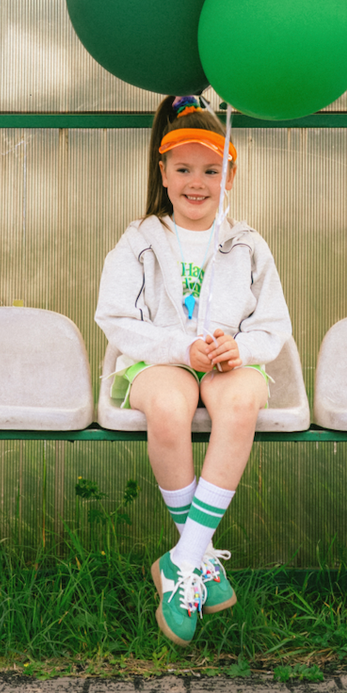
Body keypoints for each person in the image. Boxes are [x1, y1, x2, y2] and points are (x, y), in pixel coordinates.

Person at [94, 94, 292, 646]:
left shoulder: (247, 245)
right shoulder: (139, 241)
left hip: (229, 363)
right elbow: (115, 318)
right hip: (161, 360)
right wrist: (182, 351)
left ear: (230, 173)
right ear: (163, 172)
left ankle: (181, 559)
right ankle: (199, 560)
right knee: (167, 404)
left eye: (210, 169)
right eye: (182, 169)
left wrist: (238, 348)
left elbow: (272, 325)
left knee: (239, 401)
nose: (196, 182)